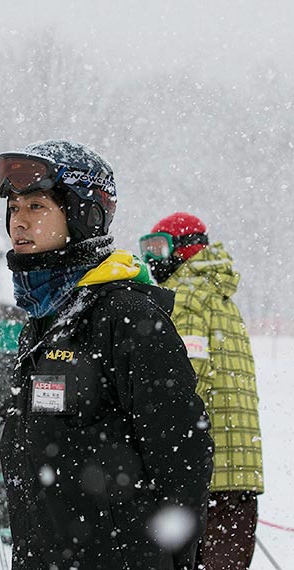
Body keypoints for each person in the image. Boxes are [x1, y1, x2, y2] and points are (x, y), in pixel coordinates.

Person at [0, 140, 214, 570]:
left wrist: (169, 554)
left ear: (84, 215)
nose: (19, 221)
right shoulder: (42, 323)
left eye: (36, 207)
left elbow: (182, 451)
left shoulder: (126, 316)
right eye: (14, 209)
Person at [139, 212, 264, 570]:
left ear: (185, 250)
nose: (151, 259)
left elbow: (186, 380)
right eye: (146, 248)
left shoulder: (188, 294)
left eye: (158, 247)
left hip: (207, 472)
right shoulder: (220, 295)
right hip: (240, 468)